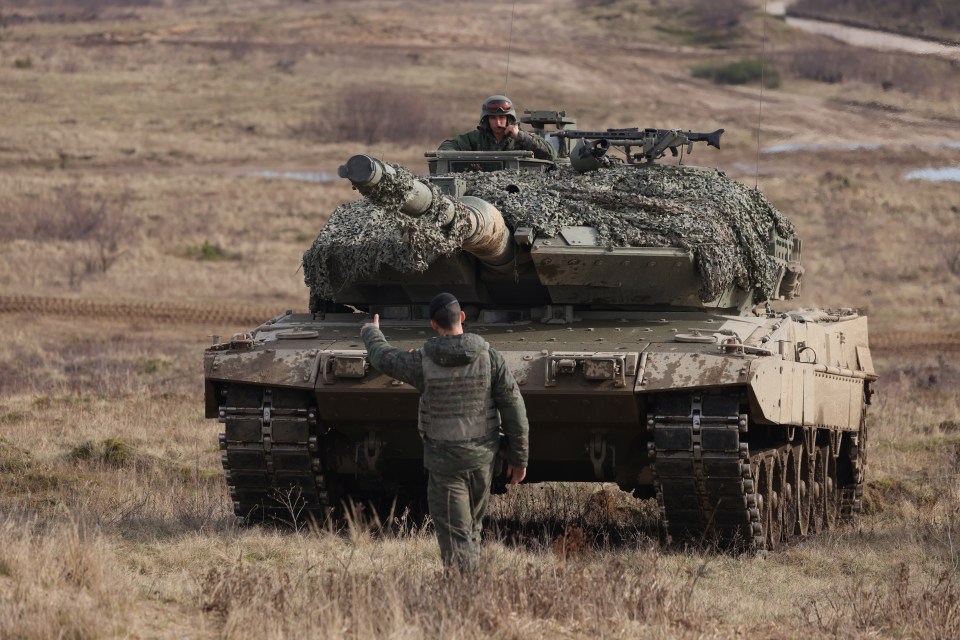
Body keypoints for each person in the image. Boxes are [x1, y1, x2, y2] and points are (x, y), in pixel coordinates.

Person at [360, 292, 529, 574]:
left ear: (433, 325)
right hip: (482, 459)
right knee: (470, 528)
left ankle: (462, 593)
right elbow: (514, 409)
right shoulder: (490, 358)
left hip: (445, 462)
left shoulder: (422, 362)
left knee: (454, 533)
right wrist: (519, 457)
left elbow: (383, 358)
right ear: (462, 317)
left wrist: (371, 333)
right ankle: (469, 583)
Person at [438, 95, 557, 161]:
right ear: (486, 120)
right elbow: (446, 147)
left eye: (502, 117)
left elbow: (551, 154)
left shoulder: (521, 139)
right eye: (493, 118)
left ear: (509, 119)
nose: (498, 122)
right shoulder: (477, 138)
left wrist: (520, 137)